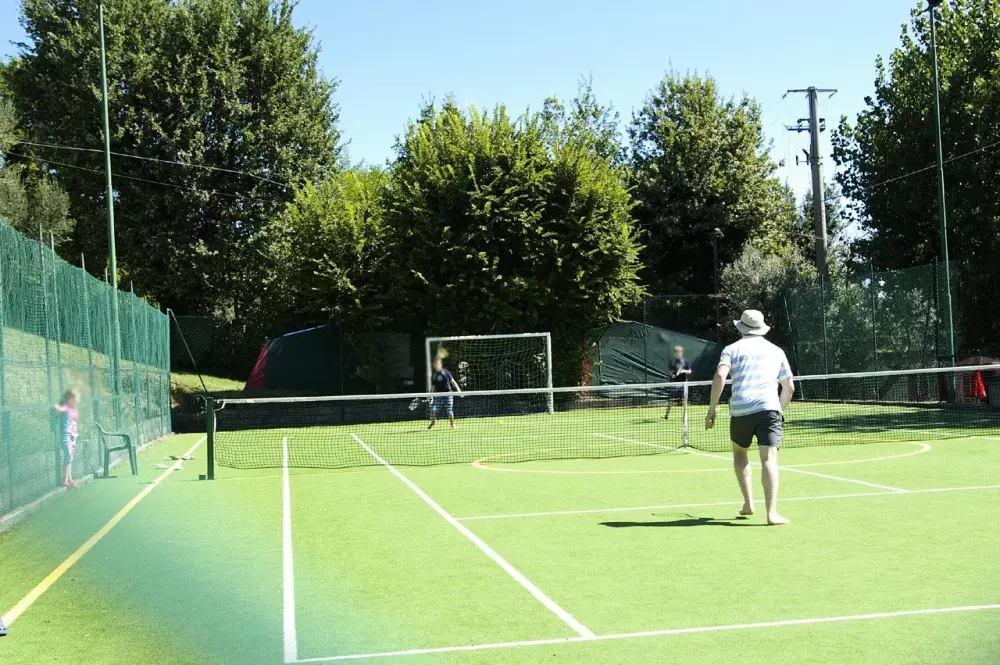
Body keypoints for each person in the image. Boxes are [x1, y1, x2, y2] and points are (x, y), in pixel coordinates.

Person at [705, 310, 794, 525]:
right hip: (769, 409)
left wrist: (712, 409)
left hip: (740, 411)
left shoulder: (731, 349)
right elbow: (789, 387)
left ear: (741, 328)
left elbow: (720, 376)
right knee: (769, 460)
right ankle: (771, 513)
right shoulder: (776, 351)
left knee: (739, 453)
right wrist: (778, 410)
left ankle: (748, 503)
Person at [54, 388, 81, 488]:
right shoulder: (65, 408)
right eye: (75, 398)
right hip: (66, 435)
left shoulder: (74, 410)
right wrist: (55, 405)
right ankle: (66, 479)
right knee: (68, 456)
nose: (77, 400)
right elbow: (58, 408)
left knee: (70, 458)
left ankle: (69, 479)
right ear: (70, 399)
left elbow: (75, 421)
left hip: (73, 436)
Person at [429, 356, 461, 429]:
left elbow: (453, 382)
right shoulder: (434, 375)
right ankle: (433, 422)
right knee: (433, 410)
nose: (436, 365)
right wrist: (430, 396)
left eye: (437, 363)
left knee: (449, 410)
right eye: (435, 364)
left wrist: (459, 391)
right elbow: (432, 387)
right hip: (438, 395)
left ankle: (452, 425)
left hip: (448, 394)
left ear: (440, 364)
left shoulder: (446, 372)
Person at [664, 345, 692, 420]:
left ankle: (684, 415)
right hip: (674, 384)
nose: (678, 354)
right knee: (671, 400)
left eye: (679, 352)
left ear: (681, 353)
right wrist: (672, 375)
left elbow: (690, 371)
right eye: (676, 352)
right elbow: (671, 372)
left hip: (683, 384)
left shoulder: (685, 361)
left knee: (684, 400)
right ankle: (666, 415)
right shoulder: (672, 362)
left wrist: (683, 371)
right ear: (674, 353)